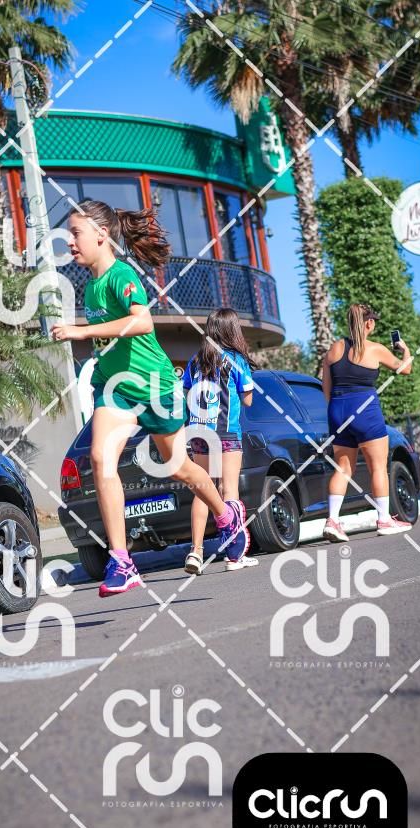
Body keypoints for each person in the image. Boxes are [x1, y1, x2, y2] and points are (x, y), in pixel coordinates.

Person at [51, 199, 249, 596]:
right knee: (100, 458)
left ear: (101, 235)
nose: (69, 242)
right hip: (115, 387)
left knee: (180, 468)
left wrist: (81, 331)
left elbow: (142, 321)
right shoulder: (91, 286)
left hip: (155, 387)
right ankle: (122, 561)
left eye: (75, 233)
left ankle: (226, 516)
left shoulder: (121, 274)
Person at [321, 303, 413, 541]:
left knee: (343, 468)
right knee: (378, 467)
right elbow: (405, 369)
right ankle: (384, 520)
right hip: (365, 412)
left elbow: (326, 389)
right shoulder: (376, 349)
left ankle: (333, 521)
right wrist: (405, 349)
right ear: (369, 323)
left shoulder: (335, 349)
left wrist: (338, 412)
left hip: (337, 412)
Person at [182, 308, 259, 574]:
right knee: (228, 491)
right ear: (232, 330)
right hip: (226, 433)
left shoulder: (195, 361)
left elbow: (186, 394)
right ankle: (234, 555)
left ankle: (196, 551)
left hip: (199, 434)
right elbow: (248, 399)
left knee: (203, 490)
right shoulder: (236, 360)